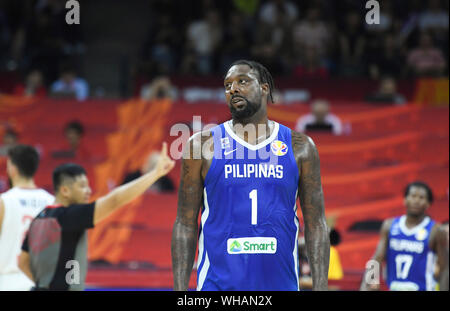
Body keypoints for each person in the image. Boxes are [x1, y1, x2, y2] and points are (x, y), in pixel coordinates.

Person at [171, 60, 329, 291]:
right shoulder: (201, 146)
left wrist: (321, 288)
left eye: (242, 81)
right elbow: (185, 223)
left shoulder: (300, 147)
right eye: (227, 85)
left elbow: (316, 224)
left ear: (264, 88)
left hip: (280, 284)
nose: (233, 89)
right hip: (218, 286)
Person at [18, 143, 174, 291]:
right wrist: (155, 174)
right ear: (65, 190)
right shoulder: (70, 216)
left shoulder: (39, 217)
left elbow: (22, 262)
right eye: (82, 186)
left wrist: (45, 284)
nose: (88, 190)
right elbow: (114, 200)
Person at [360, 181, 449, 291]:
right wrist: (367, 283)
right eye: (413, 196)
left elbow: (445, 267)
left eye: (421, 198)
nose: (416, 201)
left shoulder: (435, 230)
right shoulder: (390, 225)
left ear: (428, 204)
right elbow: (376, 258)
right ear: (405, 200)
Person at [0, 145, 54, 291]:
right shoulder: (53, 202)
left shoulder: (4, 201)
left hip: (9, 281)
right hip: (44, 282)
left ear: (12, 168)